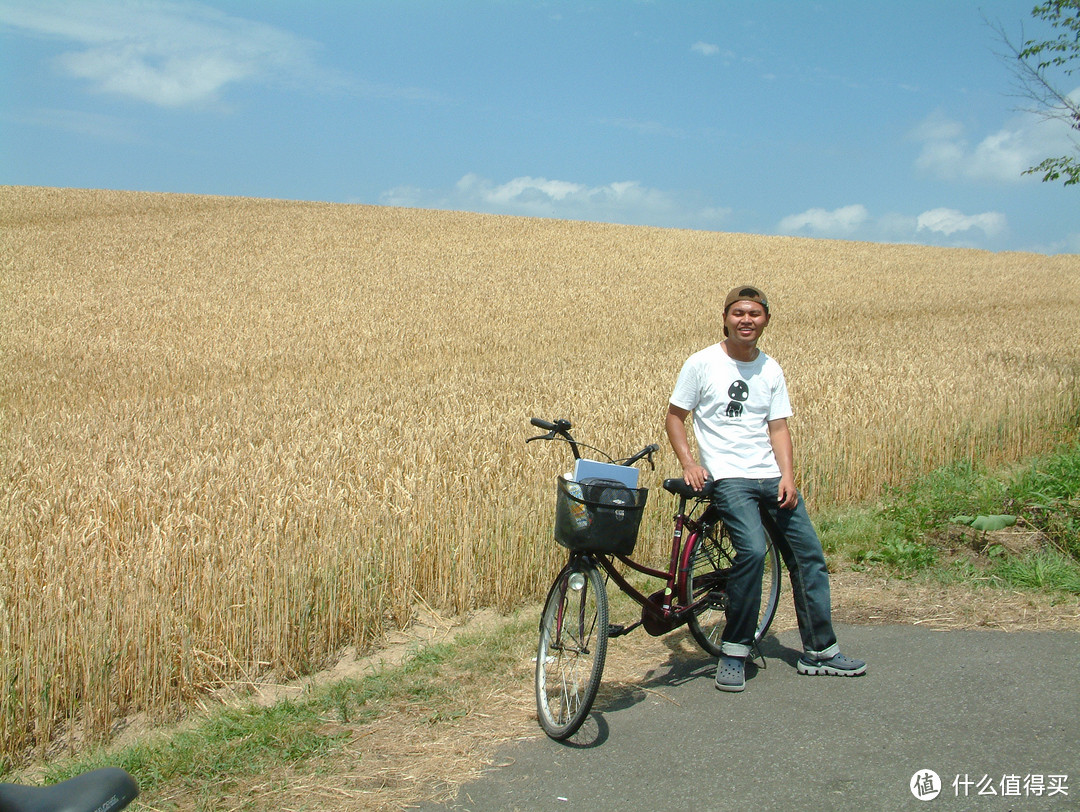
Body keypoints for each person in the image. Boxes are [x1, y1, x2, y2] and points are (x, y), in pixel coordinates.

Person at [665, 285, 866, 692]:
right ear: (725, 317)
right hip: (729, 477)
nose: (746, 320)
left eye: (754, 314)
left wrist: (787, 475)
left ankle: (821, 651)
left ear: (766, 321)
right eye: (738, 313)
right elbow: (675, 417)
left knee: (808, 555)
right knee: (753, 552)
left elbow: (778, 427)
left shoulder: (771, 369)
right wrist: (690, 463)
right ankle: (735, 650)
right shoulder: (702, 363)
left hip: (770, 477)